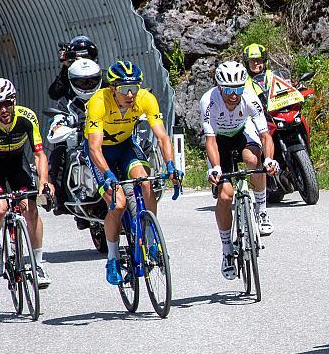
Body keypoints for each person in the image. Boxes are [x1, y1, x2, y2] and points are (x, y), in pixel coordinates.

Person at [83, 60, 182, 285]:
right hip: (101, 153)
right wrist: (107, 174)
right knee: (117, 204)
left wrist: (170, 165)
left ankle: (150, 240)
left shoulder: (145, 99)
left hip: (126, 146)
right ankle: (113, 257)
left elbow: (163, 137)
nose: (130, 94)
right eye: (124, 89)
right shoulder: (98, 102)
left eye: (135, 88)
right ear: (112, 89)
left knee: (146, 182)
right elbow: (94, 147)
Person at [200, 61, 280, 280]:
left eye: (238, 88)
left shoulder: (250, 98)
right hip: (219, 143)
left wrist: (270, 160)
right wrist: (216, 168)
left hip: (242, 134)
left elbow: (265, 136)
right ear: (218, 86)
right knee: (226, 195)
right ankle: (227, 250)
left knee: (254, 161)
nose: (234, 95)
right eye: (228, 90)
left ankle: (261, 211)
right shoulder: (208, 101)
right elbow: (210, 141)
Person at [0, 78, 55, 288]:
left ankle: (37, 265)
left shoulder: (27, 117)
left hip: (17, 164)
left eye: (8, 103)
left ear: (14, 100)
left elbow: (39, 154)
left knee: (31, 210)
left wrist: (44, 181)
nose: (4, 109)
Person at [48, 35, 100, 215]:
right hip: (73, 114)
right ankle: (58, 197)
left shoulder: (99, 75)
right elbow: (54, 93)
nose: (87, 82)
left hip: (98, 119)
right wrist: (66, 67)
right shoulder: (68, 75)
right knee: (59, 151)